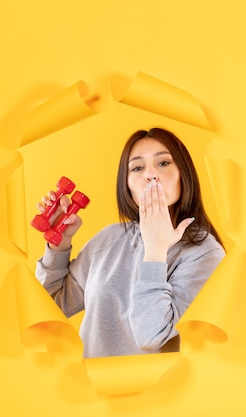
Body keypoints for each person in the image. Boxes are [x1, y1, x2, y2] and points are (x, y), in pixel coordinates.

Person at [35, 127, 225, 358]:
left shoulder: (205, 253)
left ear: (184, 174)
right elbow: (48, 308)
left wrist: (155, 250)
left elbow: (151, 336)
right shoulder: (110, 239)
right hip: (91, 390)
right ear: (127, 186)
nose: (151, 175)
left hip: (162, 392)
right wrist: (59, 245)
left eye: (163, 163)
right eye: (137, 167)